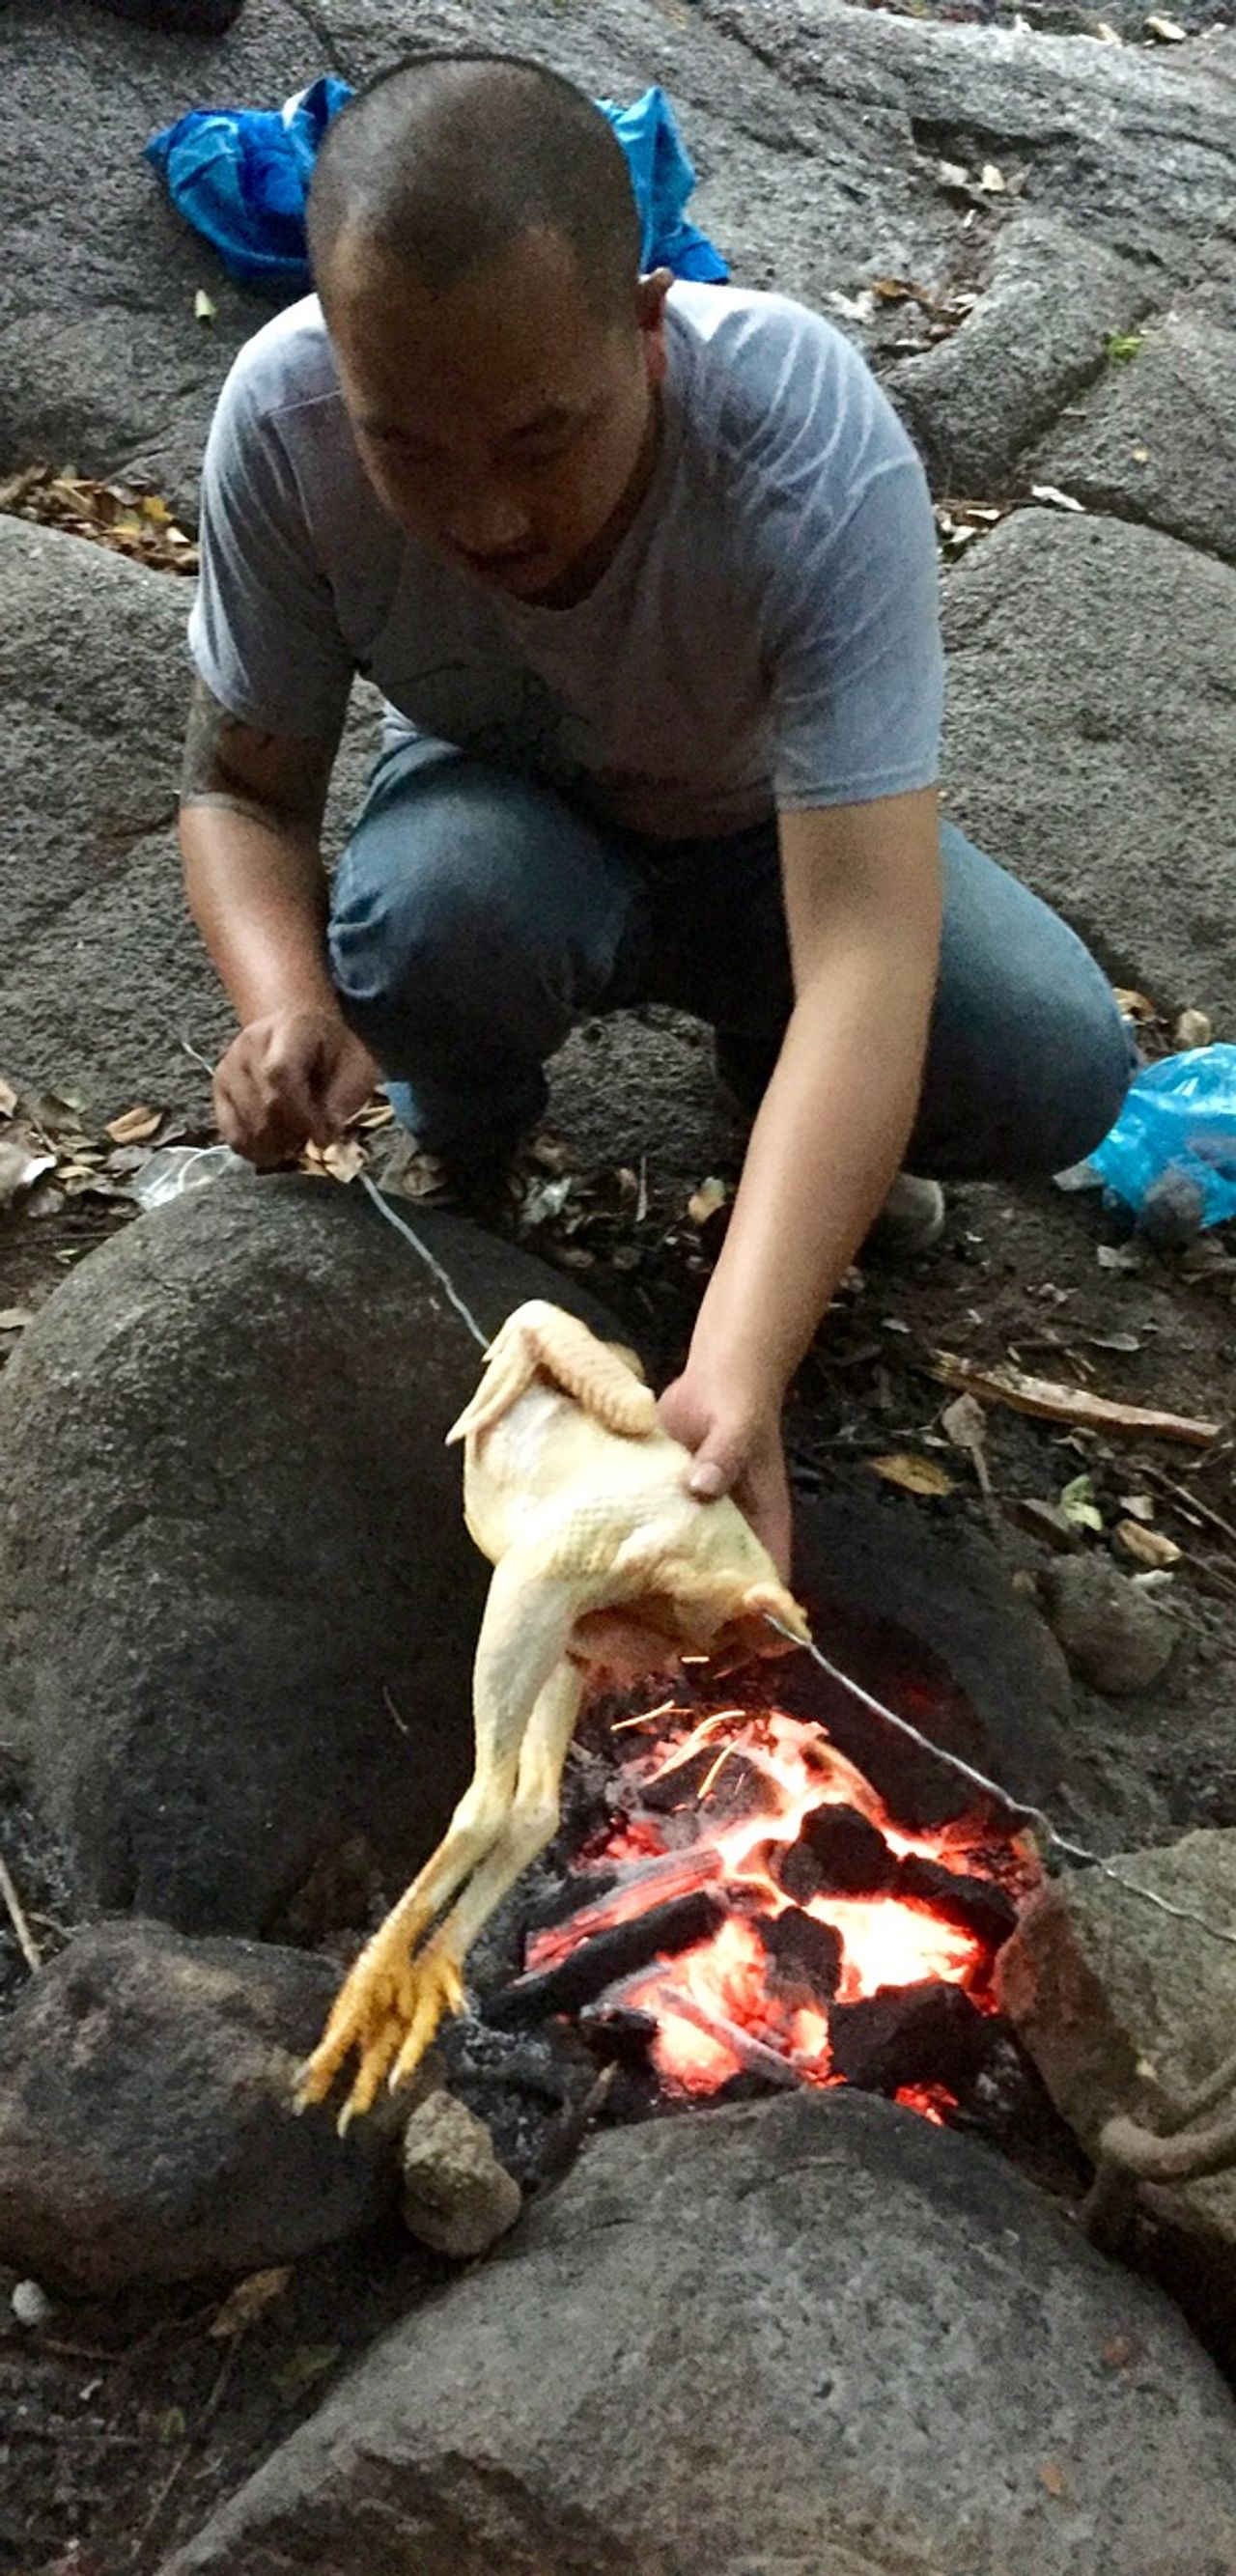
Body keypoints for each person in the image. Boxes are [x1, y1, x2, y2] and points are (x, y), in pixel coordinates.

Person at [179, 48, 1132, 1577]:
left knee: (1054, 1060)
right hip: (506, 812)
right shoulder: (284, 421)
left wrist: (733, 1369)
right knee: (427, 924)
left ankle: (789, 1115)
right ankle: (469, 1129)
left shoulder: (803, 440)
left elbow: (871, 943)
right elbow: (240, 784)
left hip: (779, 840)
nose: (483, 517)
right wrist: (284, 1006)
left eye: (539, 442)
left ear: (644, 327)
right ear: (341, 361)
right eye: (406, 448)